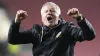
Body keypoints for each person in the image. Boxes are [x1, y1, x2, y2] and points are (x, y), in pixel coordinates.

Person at [8, 2, 96, 56]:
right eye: (46, 11)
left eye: (53, 11)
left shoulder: (68, 29)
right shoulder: (36, 32)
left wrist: (79, 18)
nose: (49, 12)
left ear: (59, 16)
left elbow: (90, 35)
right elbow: (13, 39)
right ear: (42, 17)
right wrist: (17, 21)